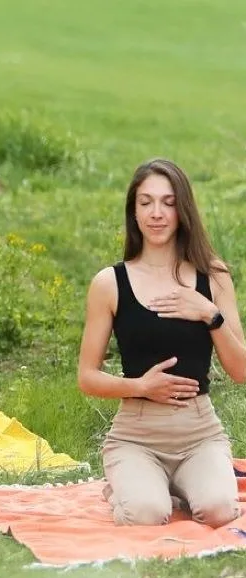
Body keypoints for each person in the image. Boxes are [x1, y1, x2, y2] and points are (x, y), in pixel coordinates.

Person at [78, 158, 246, 527]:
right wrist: (140, 386)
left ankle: (181, 485)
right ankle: (131, 487)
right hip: (136, 435)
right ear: (133, 211)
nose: (157, 213)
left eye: (168, 203)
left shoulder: (213, 277)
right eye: (146, 202)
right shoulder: (109, 283)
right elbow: (87, 377)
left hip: (200, 432)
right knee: (146, 514)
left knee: (219, 511)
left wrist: (209, 315)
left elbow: (241, 371)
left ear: (183, 210)